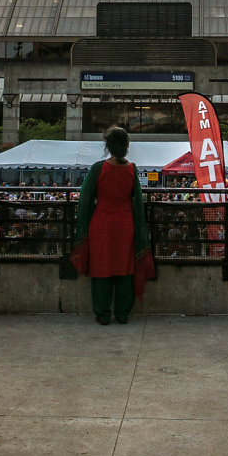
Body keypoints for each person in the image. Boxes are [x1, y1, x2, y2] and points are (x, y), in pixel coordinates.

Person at [70, 126, 155, 325]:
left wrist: (87, 222)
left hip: (101, 225)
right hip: (126, 225)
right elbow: (137, 200)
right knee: (125, 269)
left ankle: (103, 314)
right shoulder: (132, 169)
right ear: (126, 145)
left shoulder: (98, 168)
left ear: (107, 145)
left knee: (102, 269)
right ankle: (122, 314)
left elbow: (86, 199)